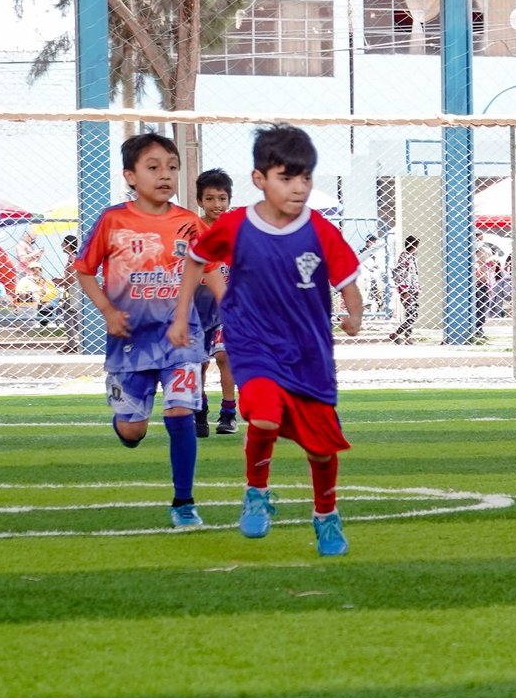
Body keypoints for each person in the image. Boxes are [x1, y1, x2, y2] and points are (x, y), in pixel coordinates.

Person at [168, 124, 363, 558]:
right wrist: (181, 315)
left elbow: (348, 280)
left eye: (305, 178)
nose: (298, 188)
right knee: (266, 418)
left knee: (321, 450)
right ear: (260, 179)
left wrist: (354, 315)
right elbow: (198, 261)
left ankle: (326, 515)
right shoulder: (236, 226)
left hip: (310, 355)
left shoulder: (321, 231)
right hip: (253, 344)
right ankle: (256, 491)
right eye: (286, 178)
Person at [73, 132, 207, 528]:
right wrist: (108, 311)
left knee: (181, 410)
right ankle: (126, 420)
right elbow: (83, 270)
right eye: (153, 167)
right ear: (130, 176)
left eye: (171, 167)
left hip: (180, 334)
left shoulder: (190, 223)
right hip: (129, 338)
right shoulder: (113, 220)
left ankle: (184, 503)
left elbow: (212, 266)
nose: (164, 175)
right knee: (132, 431)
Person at [193, 168, 237, 435]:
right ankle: (200, 409)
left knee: (224, 355)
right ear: (199, 201)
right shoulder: (190, 229)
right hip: (196, 306)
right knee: (198, 361)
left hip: (227, 305)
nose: (216, 205)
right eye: (210, 199)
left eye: (221, 198)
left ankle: (228, 412)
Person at [388, 235, 419, 344]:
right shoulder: (405, 257)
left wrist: (417, 287)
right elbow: (399, 275)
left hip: (413, 290)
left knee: (411, 314)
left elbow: (413, 275)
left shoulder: (413, 257)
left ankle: (406, 337)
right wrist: (403, 291)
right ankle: (398, 334)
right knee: (412, 314)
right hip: (407, 290)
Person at [57, 234, 82, 353]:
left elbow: (72, 278)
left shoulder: (73, 258)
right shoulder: (73, 257)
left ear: (68, 245)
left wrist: (59, 281)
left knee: (72, 317)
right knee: (71, 317)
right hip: (72, 290)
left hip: (73, 290)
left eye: (64, 243)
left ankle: (73, 343)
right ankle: (73, 343)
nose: (62, 245)